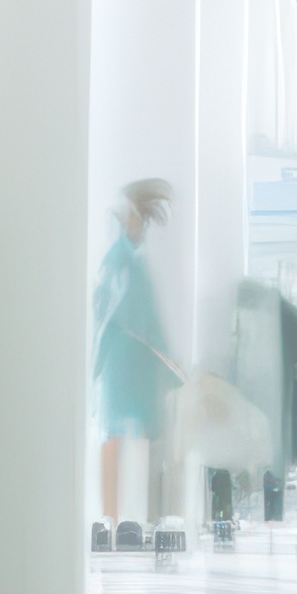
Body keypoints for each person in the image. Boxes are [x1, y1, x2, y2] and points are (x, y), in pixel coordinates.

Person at [91, 180, 183, 550]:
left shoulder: (132, 260)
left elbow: (148, 317)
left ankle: (131, 521)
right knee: (114, 437)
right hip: (121, 361)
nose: (141, 227)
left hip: (138, 364)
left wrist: (165, 357)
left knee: (140, 437)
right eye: (138, 220)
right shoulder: (118, 260)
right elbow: (114, 310)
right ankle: (111, 520)